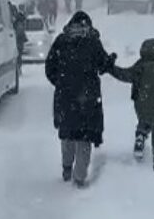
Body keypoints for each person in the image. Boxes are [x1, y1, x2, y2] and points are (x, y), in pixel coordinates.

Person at [45, 11, 115, 188]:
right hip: (87, 99)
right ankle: (79, 178)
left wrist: (61, 83)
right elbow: (103, 64)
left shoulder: (61, 41)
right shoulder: (92, 41)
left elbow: (49, 67)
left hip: (66, 97)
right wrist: (111, 60)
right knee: (84, 137)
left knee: (67, 133)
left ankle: (67, 168)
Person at [106, 39, 154, 172]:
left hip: (142, 105)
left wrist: (110, 68)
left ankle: (141, 136)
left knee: (144, 120)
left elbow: (124, 75)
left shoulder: (140, 68)